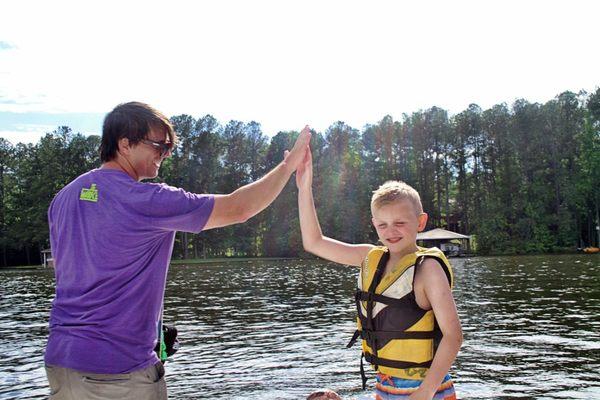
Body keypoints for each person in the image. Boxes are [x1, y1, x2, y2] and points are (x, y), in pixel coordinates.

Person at [44, 101, 311, 400]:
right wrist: (288, 167)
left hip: (60, 361)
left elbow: (67, 269)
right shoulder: (147, 200)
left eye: (169, 147)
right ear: (124, 144)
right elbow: (239, 208)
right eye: (159, 146)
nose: (165, 154)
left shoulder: (64, 198)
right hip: (118, 369)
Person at [296, 148, 462, 400]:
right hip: (384, 385)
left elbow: (453, 336)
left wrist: (426, 391)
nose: (391, 231)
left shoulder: (428, 269)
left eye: (400, 223)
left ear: (420, 222)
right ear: (374, 224)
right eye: (383, 224)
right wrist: (304, 187)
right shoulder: (368, 256)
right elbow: (313, 242)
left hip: (426, 388)